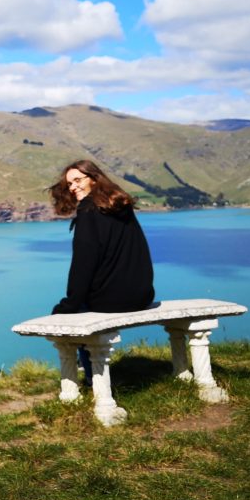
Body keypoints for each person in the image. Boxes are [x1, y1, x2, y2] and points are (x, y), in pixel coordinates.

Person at [48, 159, 155, 381]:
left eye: (78, 180)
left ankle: (91, 377)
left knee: (71, 313)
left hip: (112, 301)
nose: (73, 187)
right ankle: (88, 368)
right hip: (142, 295)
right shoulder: (119, 206)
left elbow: (83, 264)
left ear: (94, 179)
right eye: (69, 184)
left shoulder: (88, 211)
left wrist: (69, 303)